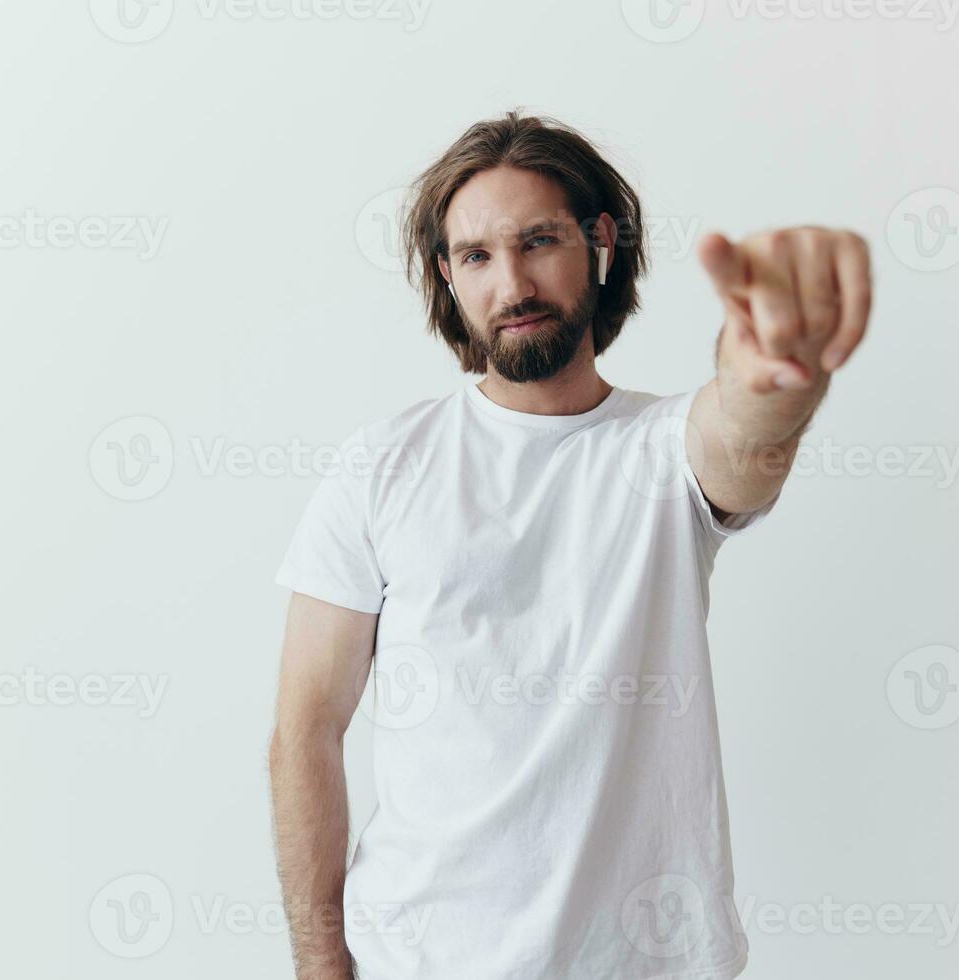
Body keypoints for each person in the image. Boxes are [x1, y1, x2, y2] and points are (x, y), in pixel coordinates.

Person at [268, 109, 872, 980]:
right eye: (475, 256)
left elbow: (745, 438)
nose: (510, 282)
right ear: (447, 273)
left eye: (538, 241)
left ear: (598, 242)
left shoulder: (663, 451)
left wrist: (775, 368)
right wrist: (321, 965)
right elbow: (305, 730)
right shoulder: (382, 466)